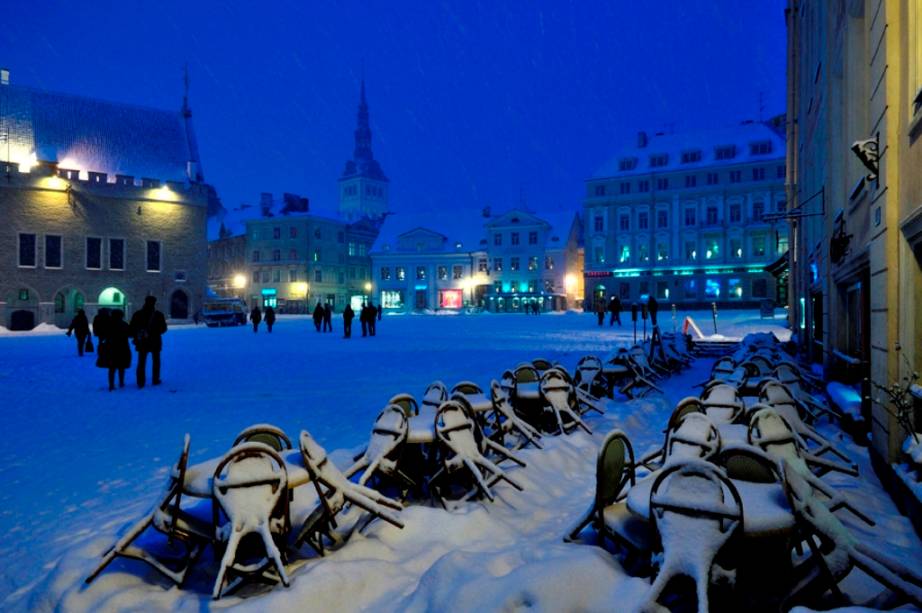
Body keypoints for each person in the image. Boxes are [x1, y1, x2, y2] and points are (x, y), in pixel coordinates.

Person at [129, 296, 168, 388]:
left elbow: (132, 328)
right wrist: (154, 332)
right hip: (155, 341)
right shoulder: (158, 315)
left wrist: (138, 335)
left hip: (142, 341)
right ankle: (155, 379)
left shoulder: (137, 314)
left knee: (141, 361)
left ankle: (140, 381)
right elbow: (163, 329)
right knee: (156, 361)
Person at [104, 309, 132, 391]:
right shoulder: (124, 324)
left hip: (111, 347)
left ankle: (111, 384)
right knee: (121, 366)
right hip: (123, 347)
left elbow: (104, 334)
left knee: (112, 368)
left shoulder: (108, 324)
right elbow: (130, 334)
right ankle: (121, 382)